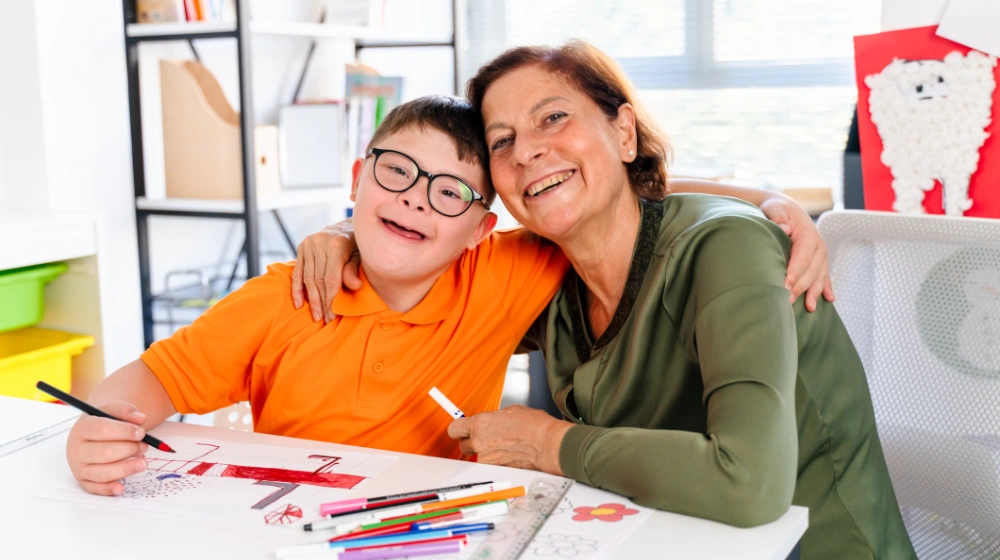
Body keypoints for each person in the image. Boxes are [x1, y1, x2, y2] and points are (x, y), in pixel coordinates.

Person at [296, 43, 916, 559]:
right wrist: (349, 230)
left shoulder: (728, 247)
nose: (527, 150)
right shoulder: (546, 276)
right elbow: (422, 260)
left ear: (623, 131)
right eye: (503, 141)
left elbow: (748, 483)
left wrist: (548, 443)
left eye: (552, 118)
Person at [67, 94, 821, 499]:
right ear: (358, 178)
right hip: (290, 522)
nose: (415, 199)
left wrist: (765, 197)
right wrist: (100, 427)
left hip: (435, 525)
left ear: (481, 228)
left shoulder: (504, 270)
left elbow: (612, 195)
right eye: (397, 172)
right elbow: (154, 378)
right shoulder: (288, 295)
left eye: (451, 192)